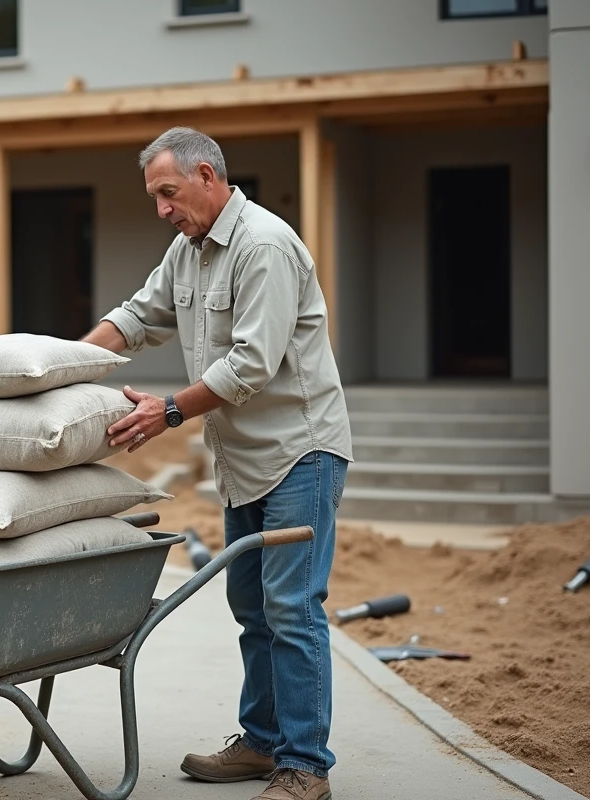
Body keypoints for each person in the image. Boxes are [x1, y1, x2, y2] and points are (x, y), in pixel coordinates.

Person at [81, 126, 352, 800]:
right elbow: (138, 316)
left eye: (168, 192)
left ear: (207, 176)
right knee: (250, 606)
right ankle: (262, 743)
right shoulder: (188, 251)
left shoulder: (263, 245)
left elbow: (253, 364)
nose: (162, 208)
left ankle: (306, 767)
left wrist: (168, 411)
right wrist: (68, 366)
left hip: (299, 451)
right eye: (154, 197)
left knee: (291, 607)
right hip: (241, 459)